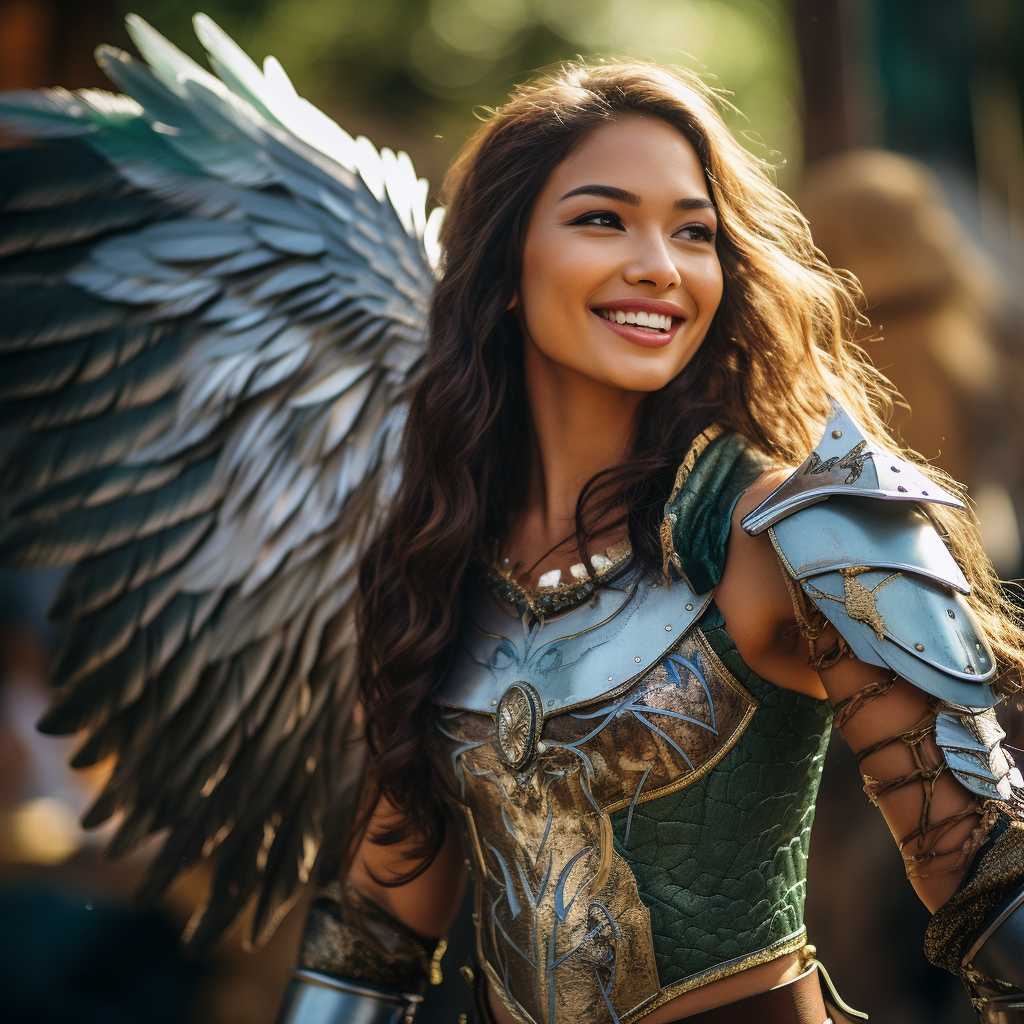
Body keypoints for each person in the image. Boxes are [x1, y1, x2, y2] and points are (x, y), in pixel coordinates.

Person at [0, 20, 1022, 1024]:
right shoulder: (427, 556)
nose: (659, 264)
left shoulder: (813, 530)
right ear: (501, 272)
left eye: (693, 230)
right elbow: (375, 933)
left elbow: (985, 872)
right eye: (601, 219)